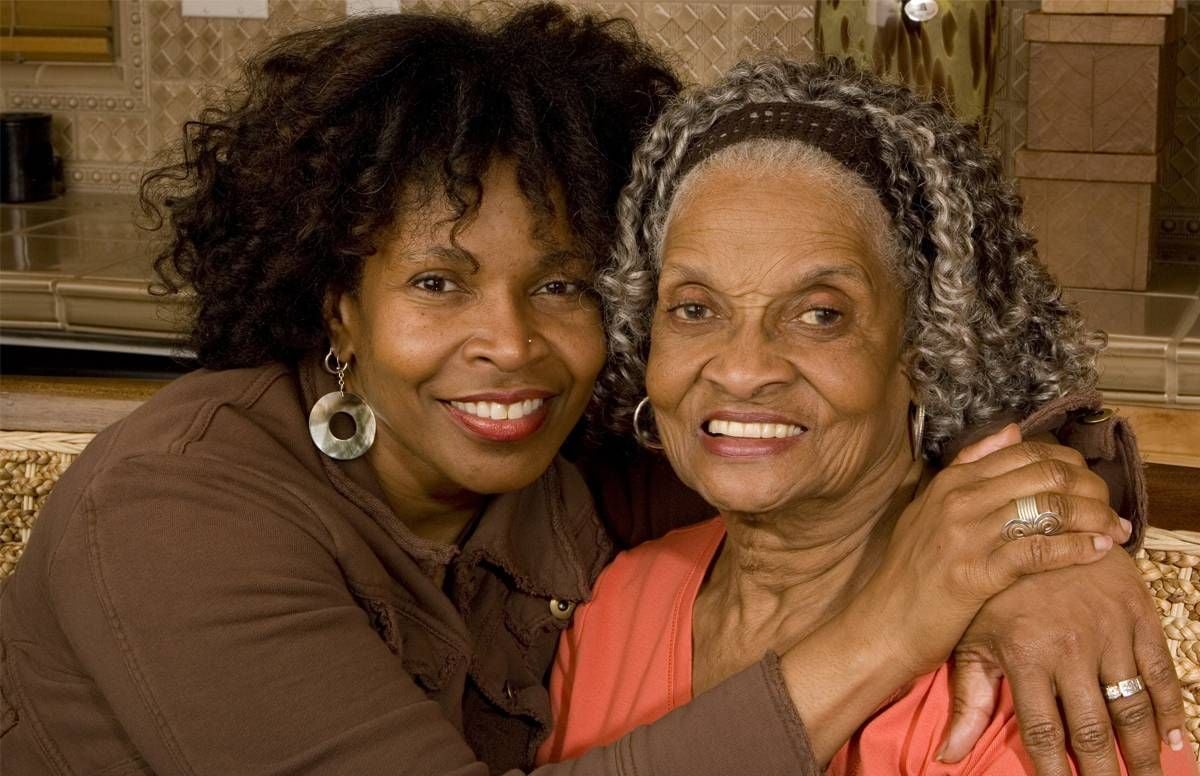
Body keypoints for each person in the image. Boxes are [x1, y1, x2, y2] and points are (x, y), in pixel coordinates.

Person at [0, 7, 1181, 775]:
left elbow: (846, 431)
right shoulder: (176, 513)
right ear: (334, 299)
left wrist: (1050, 548)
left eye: (561, 282)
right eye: (437, 280)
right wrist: (896, 619)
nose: (509, 344)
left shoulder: (574, 467)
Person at [538, 57, 1196, 774]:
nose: (742, 367)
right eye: (695, 309)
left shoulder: (1019, 676)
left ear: (921, 349)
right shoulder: (614, 611)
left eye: (821, 315)